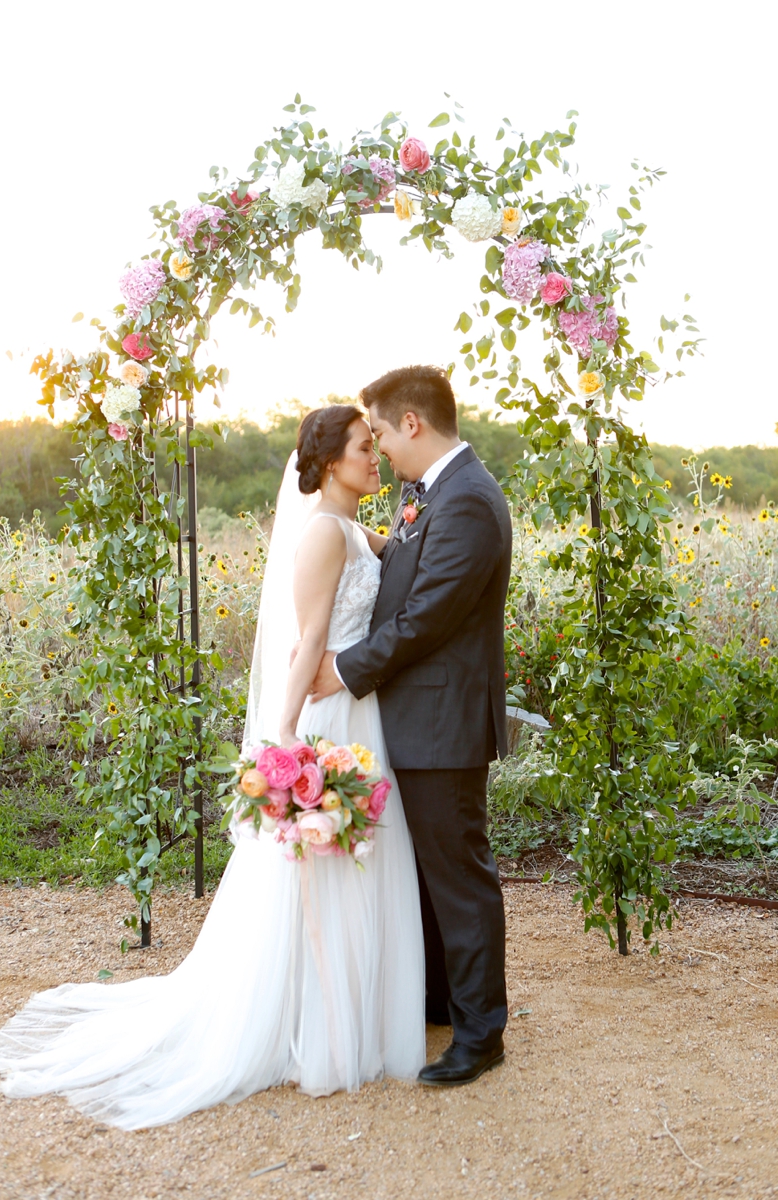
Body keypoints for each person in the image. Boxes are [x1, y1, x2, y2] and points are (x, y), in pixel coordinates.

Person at [0, 404, 426, 1130]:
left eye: (375, 445)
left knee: (358, 865)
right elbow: (308, 639)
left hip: (360, 713)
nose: (374, 456)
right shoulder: (319, 534)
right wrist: (284, 740)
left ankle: (353, 1020)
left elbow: (396, 549)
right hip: (328, 720)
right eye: (361, 448)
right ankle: (317, 1032)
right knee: (318, 872)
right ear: (325, 462)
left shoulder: (349, 529)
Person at [310, 365, 512, 1086]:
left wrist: (347, 669)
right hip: (417, 716)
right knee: (430, 875)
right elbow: (411, 570)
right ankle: (444, 1002)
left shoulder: (469, 503)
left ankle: (481, 1032)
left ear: (414, 424)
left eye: (384, 434)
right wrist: (354, 533)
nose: (383, 450)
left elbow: (427, 618)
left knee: (458, 875)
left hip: (442, 718)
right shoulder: (437, 498)